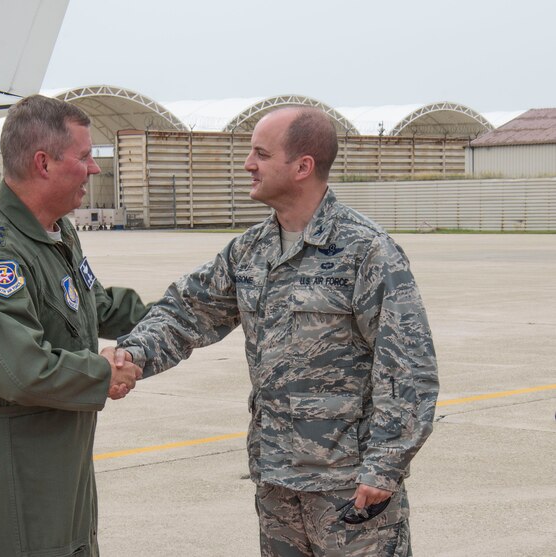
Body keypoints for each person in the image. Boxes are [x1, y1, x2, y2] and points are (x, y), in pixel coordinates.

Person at [116, 107, 439, 556]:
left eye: (261, 154)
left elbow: (408, 368)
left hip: (348, 487)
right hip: (276, 483)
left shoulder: (367, 251)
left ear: (303, 166)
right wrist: (131, 356)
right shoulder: (249, 250)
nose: (248, 163)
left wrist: (384, 467)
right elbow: (187, 311)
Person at [0, 95, 148, 557]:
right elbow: (19, 369)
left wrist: (187, 310)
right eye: (84, 157)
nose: (94, 169)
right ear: (43, 163)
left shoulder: (56, 232)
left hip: (59, 464)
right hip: (17, 472)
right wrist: (104, 373)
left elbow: (96, 306)